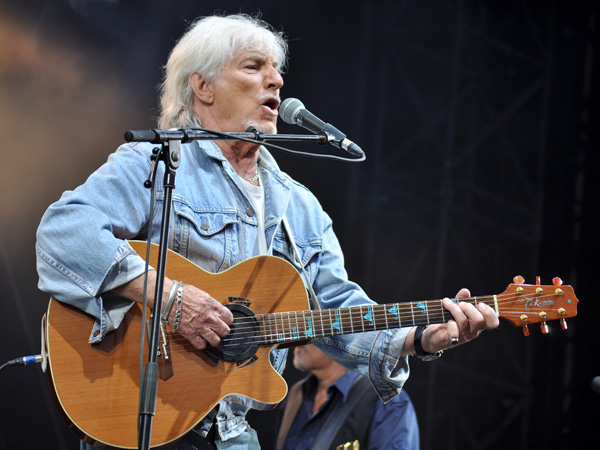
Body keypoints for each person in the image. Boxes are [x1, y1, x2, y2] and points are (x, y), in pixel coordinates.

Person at [35, 13, 499, 450]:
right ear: (203, 86)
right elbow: (63, 232)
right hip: (135, 408)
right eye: (253, 67)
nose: (275, 80)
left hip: (232, 430)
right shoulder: (156, 163)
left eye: (276, 71)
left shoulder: (299, 206)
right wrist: (171, 298)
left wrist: (420, 338)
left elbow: (337, 311)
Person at [276, 344, 420, 450]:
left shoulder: (387, 399)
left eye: (308, 329)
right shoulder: (296, 394)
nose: (297, 339)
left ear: (341, 339)